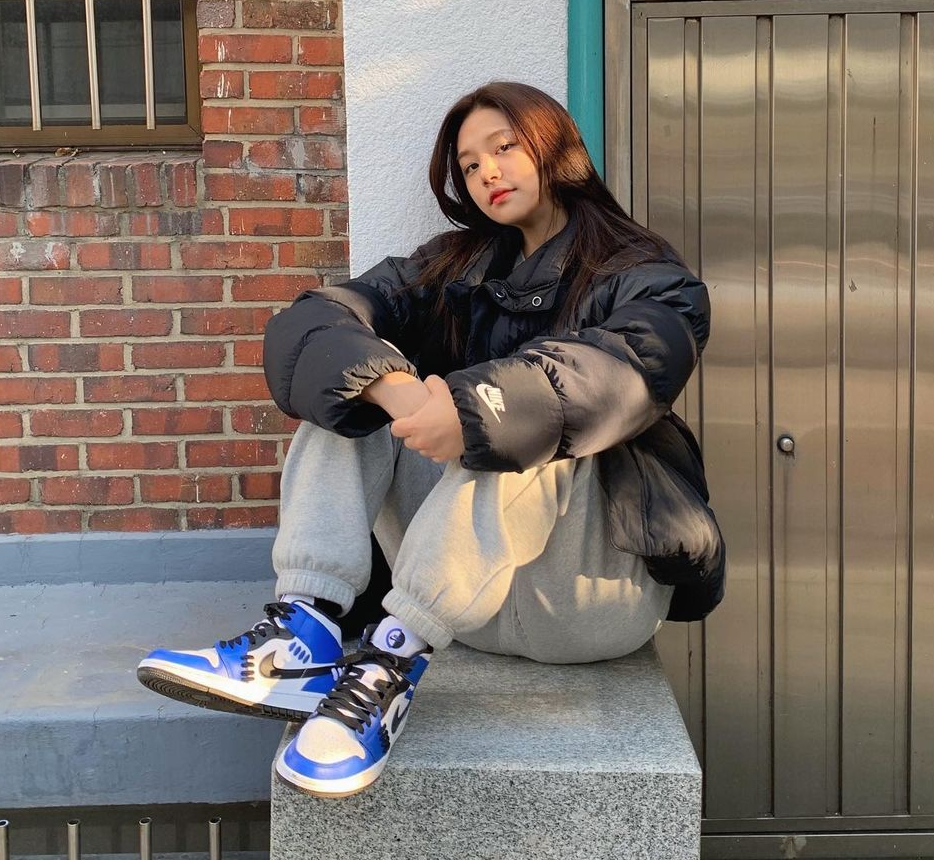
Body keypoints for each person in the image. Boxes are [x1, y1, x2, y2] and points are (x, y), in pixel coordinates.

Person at [136, 80, 724, 799]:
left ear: (555, 149)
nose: (487, 173)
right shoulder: (453, 267)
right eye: (470, 165)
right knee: (351, 382)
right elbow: (311, 323)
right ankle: (303, 632)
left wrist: (469, 411)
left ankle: (386, 669)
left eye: (504, 148)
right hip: (464, 600)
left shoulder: (650, 277)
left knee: (526, 422)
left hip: (585, 596)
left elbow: (619, 373)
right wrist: (396, 389)